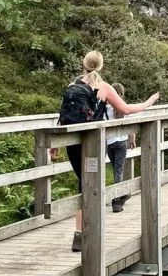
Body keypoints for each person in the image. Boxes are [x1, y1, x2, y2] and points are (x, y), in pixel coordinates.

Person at [67, 51, 159, 252]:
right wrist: (149, 102)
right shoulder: (104, 87)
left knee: (82, 184)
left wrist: (55, 146)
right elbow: (126, 110)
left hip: (72, 143)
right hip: (92, 143)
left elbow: (63, 116)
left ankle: (79, 234)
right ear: (100, 66)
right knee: (92, 184)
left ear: (83, 64)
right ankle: (91, 234)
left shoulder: (72, 86)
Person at [105, 83, 135, 214]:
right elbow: (131, 126)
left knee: (115, 170)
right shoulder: (123, 107)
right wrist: (132, 140)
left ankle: (122, 195)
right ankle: (117, 200)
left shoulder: (106, 108)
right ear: (121, 93)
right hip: (122, 142)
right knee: (119, 171)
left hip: (109, 142)